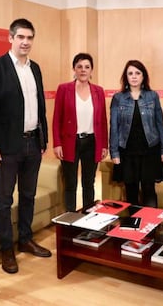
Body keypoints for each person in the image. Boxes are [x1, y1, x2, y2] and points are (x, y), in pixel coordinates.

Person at [0, 18, 51, 275]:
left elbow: (40, 106)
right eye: (21, 37)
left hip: (33, 142)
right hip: (7, 147)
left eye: (30, 37)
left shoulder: (36, 69)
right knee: (4, 199)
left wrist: (44, 138)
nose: (25, 42)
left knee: (29, 195)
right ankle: (6, 249)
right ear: (10, 38)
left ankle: (25, 238)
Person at [52, 53, 108, 212]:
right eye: (79, 67)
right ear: (74, 69)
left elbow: (103, 121)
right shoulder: (64, 89)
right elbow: (57, 118)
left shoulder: (98, 91)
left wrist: (104, 145)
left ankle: (87, 218)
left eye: (87, 67)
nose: (83, 70)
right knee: (70, 183)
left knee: (88, 183)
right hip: (70, 142)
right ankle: (69, 218)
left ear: (92, 71)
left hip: (92, 142)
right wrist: (57, 143)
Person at [109, 60, 163, 207]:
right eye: (130, 73)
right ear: (126, 77)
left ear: (143, 76)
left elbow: (160, 123)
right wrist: (114, 152)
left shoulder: (152, 96)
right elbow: (114, 127)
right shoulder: (118, 98)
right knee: (131, 191)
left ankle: (151, 226)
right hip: (127, 152)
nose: (134, 76)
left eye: (137, 73)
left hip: (150, 150)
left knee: (149, 190)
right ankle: (133, 226)